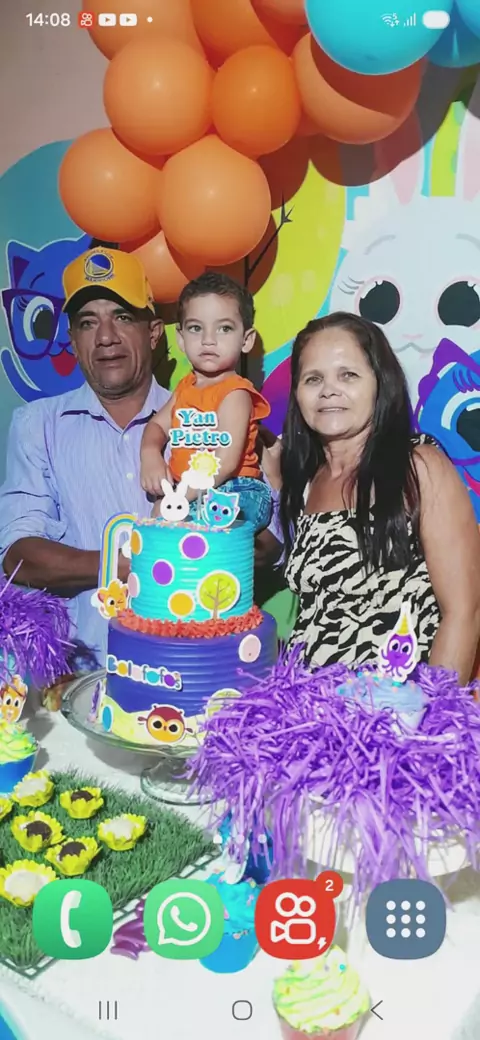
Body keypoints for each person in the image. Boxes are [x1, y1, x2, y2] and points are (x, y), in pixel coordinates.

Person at [0, 247, 280, 669]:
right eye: (87, 323)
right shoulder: (36, 426)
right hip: (83, 671)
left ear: (154, 333)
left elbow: (269, 546)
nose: (106, 337)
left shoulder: (216, 415)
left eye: (123, 317)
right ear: (72, 341)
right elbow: (19, 556)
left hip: (197, 668)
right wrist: (140, 559)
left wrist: (225, 519)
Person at [279, 312, 480, 685]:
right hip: (309, 706)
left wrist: (430, 713)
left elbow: (464, 612)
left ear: (379, 383)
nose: (328, 390)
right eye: (313, 379)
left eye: (348, 375)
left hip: (395, 710)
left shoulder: (419, 467)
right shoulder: (305, 481)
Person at [140, 272, 272, 533]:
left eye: (224, 328)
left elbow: (226, 462)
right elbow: (156, 425)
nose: (208, 339)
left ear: (246, 340)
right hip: (195, 492)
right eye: (196, 328)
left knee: (182, 521)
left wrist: (178, 498)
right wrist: (150, 453)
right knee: (160, 523)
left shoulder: (236, 393)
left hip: (236, 488)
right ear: (180, 338)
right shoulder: (185, 388)